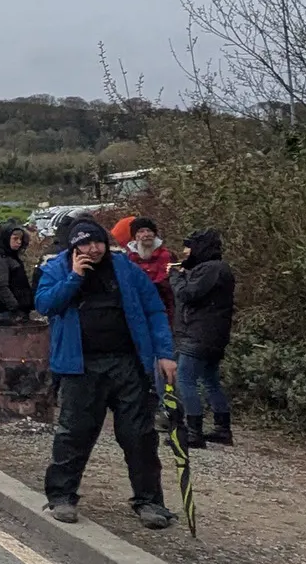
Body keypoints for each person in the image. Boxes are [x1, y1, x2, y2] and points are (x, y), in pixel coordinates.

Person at [35, 218, 178, 527]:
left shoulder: (126, 269)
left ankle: (150, 503)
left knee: (140, 435)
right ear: (74, 246)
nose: (93, 249)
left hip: (127, 363)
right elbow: (46, 304)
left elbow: (154, 309)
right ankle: (61, 497)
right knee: (74, 433)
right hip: (79, 365)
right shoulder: (56, 269)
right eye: (85, 244)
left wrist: (165, 353)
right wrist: (74, 277)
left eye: (97, 242)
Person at [174, 229, 236, 448]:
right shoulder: (216, 269)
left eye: (188, 247)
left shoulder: (211, 269)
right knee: (209, 379)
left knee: (185, 378)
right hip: (214, 335)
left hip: (199, 334)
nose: (184, 251)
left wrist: (177, 277)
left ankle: (193, 431)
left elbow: (189, 294)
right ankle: (222, 427)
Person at [124, 217, 176, 324]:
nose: (146, 234)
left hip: (166, 311)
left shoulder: (167, 256)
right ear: (135, 236)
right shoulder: (128, 259)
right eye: (141, 231)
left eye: (149, 231)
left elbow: (169, 282)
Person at [0, 226, 35, 318]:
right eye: (15, 238)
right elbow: (0, 287)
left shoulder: (11, 255)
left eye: (21, 239)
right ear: (6, 238)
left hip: (19, 309)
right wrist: (15, 307)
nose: (19, 242)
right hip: (7, 311)